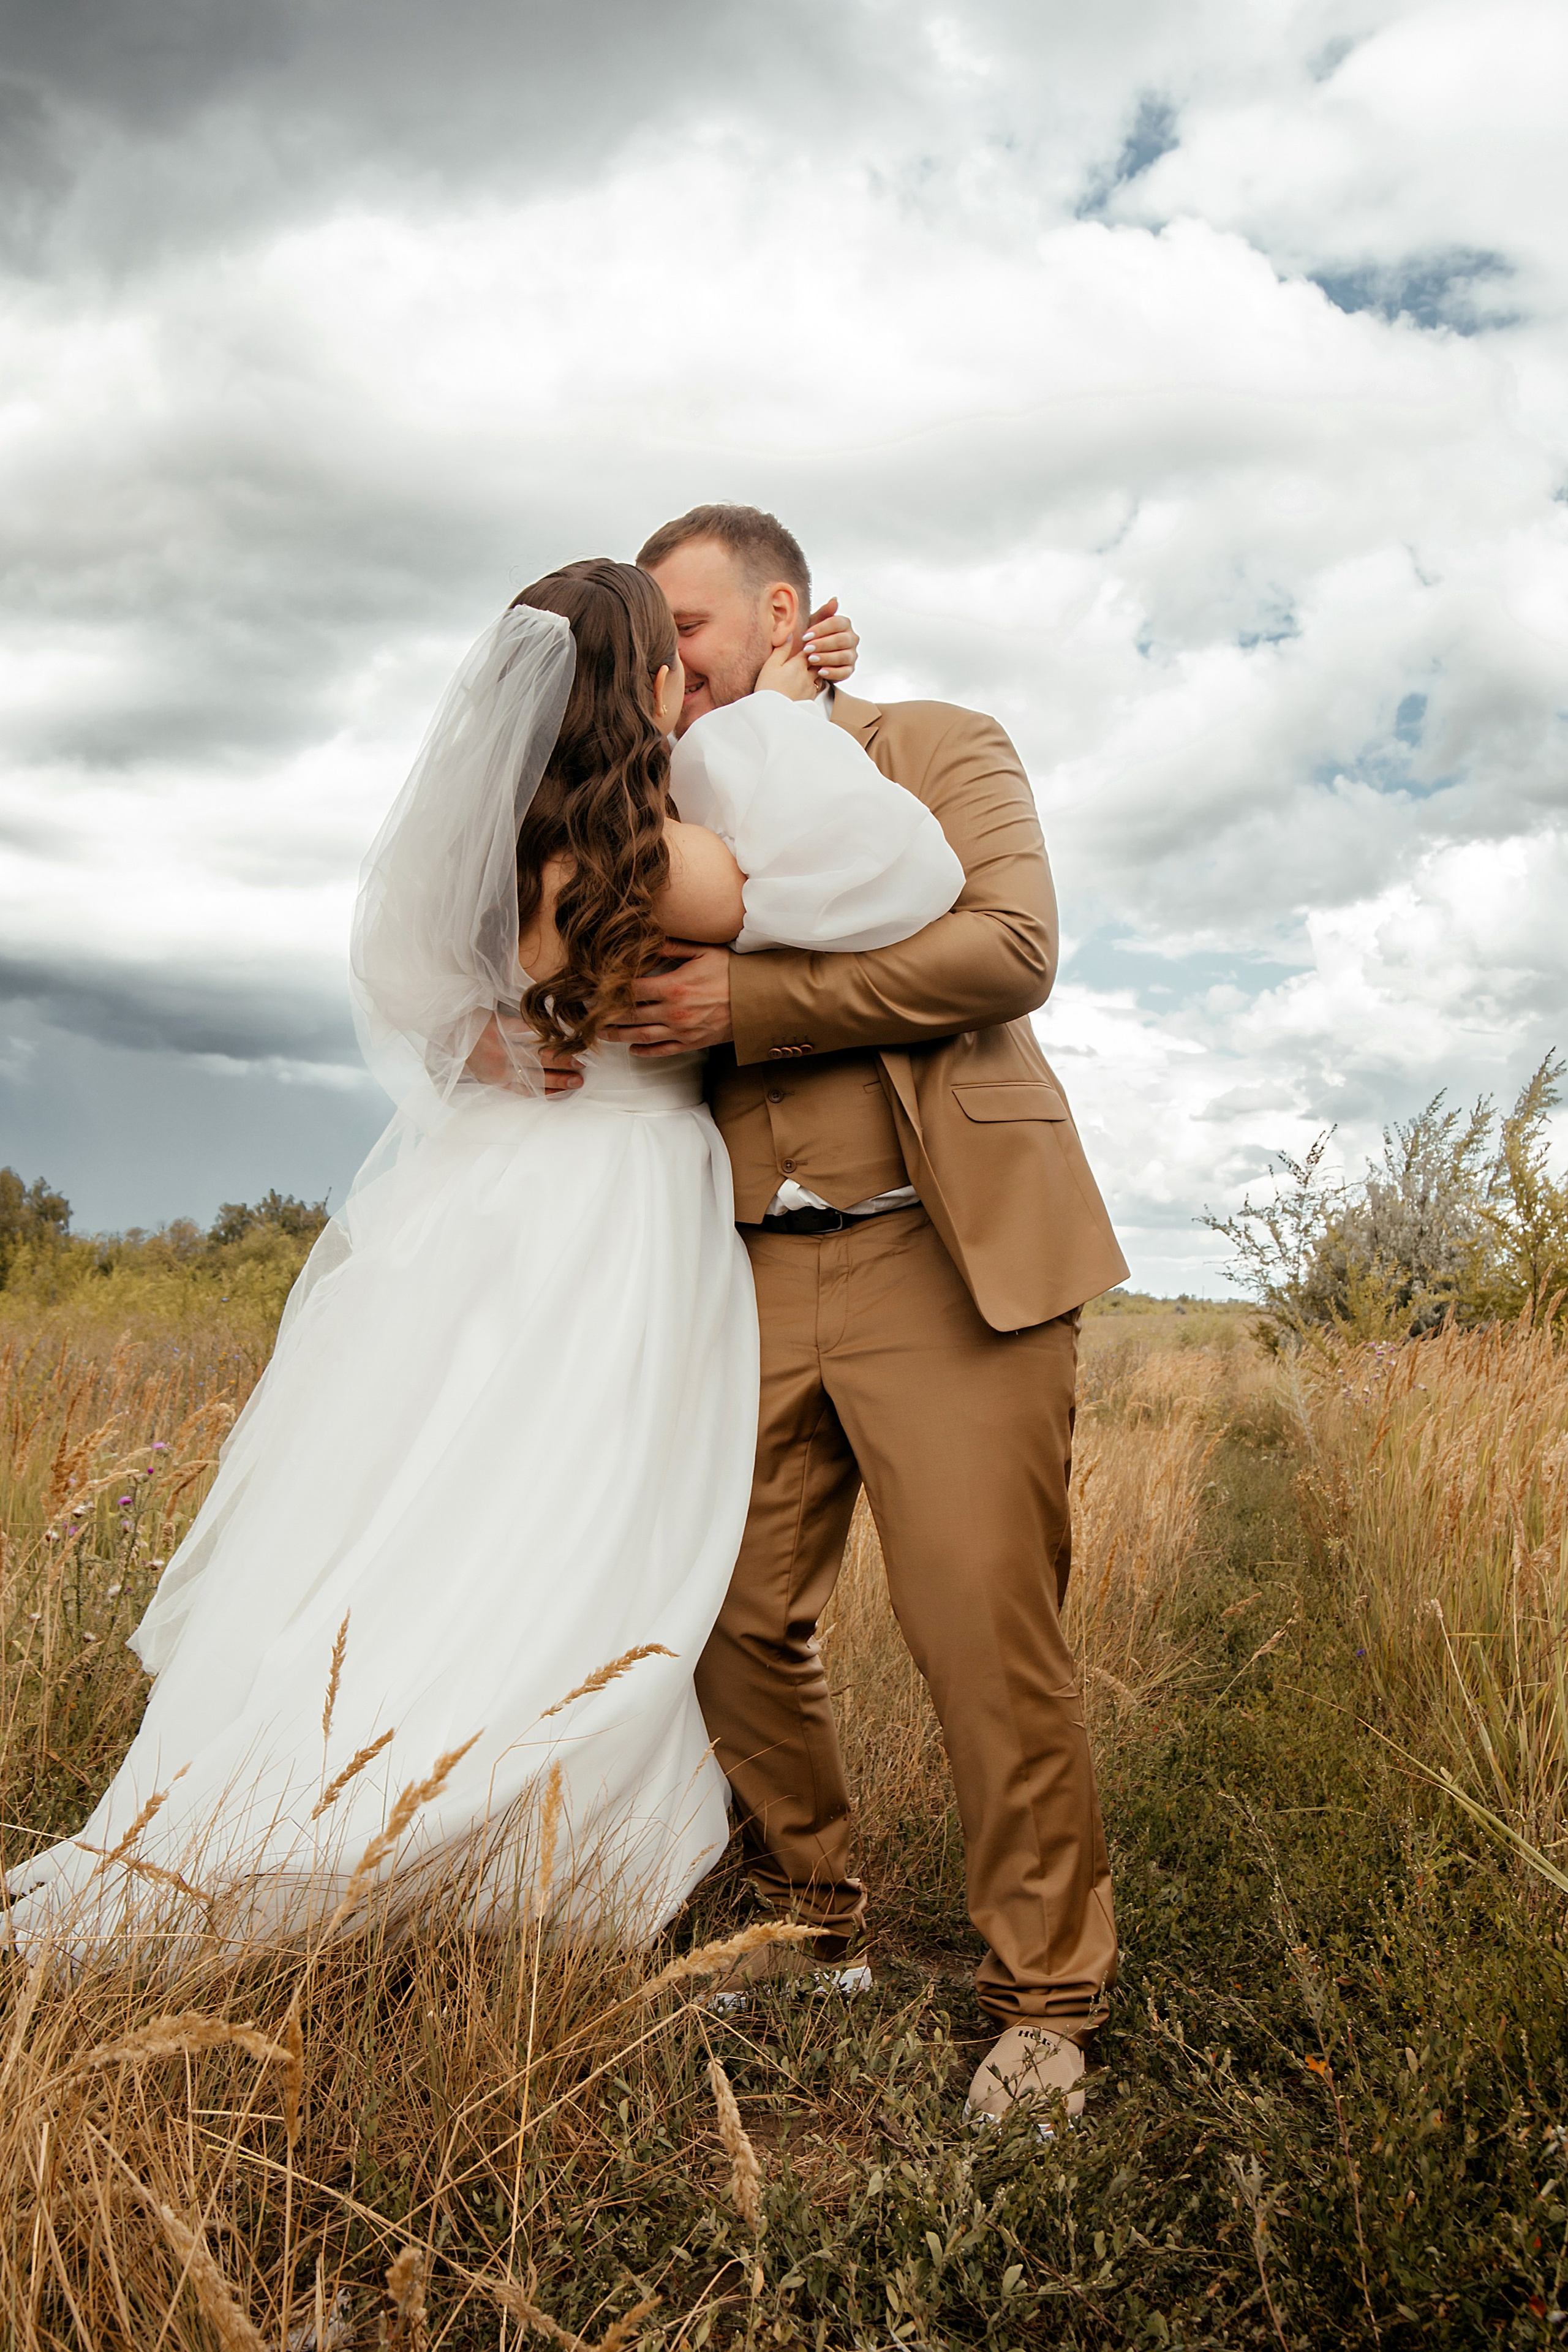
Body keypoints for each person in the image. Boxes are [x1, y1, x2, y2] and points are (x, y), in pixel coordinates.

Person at [4, 559, 962, 1956]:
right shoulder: (658, 861)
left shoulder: (504, 845)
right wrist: (779, 711)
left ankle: (306, 1769)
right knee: (583, 1508)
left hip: (489, 1191)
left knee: (437, 1489)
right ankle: (490, 1839)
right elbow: (895, 881)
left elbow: (407, 984)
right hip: (621, 1197)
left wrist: (476, 1042)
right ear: (650, 686)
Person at [616, 505, 1131, 2128]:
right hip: (742, 1270)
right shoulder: (651, 798)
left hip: (945, 1259)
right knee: (724, 1611)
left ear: (782, 614)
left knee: (981, 1630)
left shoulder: (936, 744)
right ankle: (809, 1923)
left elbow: (1007, 948)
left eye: (685, 629)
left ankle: (1044, 2003)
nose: (663, 663)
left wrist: (754, 998)